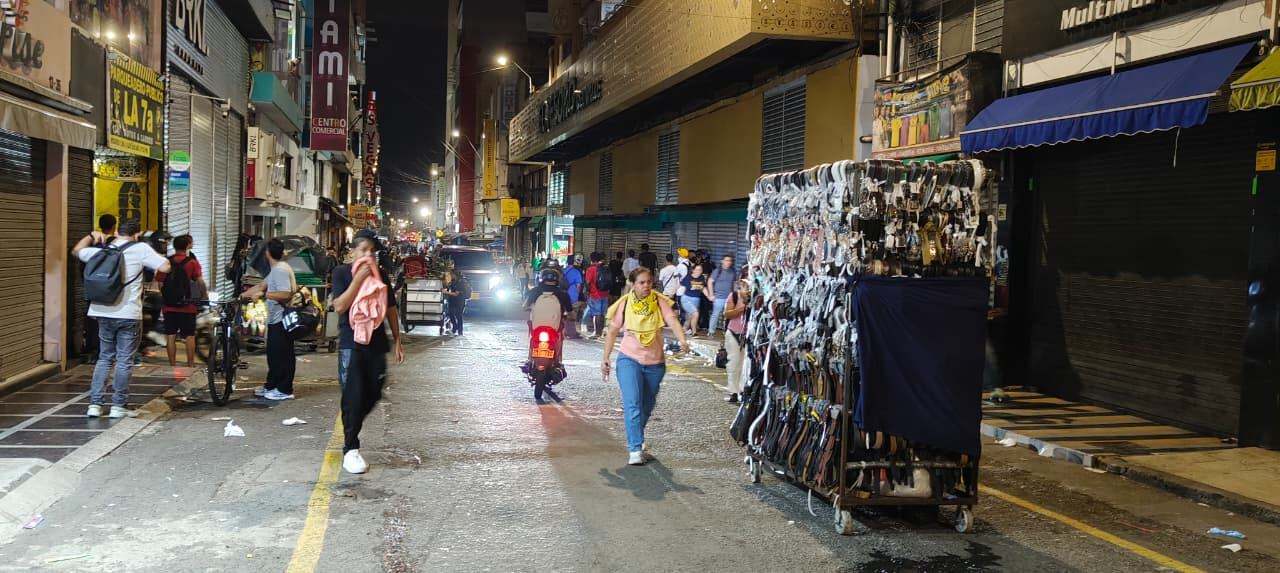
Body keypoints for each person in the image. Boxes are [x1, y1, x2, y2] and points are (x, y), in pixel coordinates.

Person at [72, 220, 171, 418]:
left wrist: (91, 236)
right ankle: (118, 406)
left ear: (117, 231)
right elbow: (166, 267)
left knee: (104, 358)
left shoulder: (103, 249)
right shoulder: (140, 248)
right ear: (137, 234)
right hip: (128, 313)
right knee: (124, 360)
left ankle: (95, 404)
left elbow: (76, 251)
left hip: (102, 311)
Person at [331, 234, 407, 474]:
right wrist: (358, 280)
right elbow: (340, 306)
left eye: (372, 251)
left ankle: (352, 422)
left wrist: (398, 340)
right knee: (353, 396)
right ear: (352, 252)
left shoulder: (380, 274)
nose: (368, 255)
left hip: (376, 343)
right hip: (351, 343)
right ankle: (350, 448)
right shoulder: (342, 273)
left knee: (373, 392)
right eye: (363, 250)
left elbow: (391, 309)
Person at [601, 267, 690, 466]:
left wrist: (682, 339)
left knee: (646, 406)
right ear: (633, 284)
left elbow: (672, 320)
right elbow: (613, 331)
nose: (646, 286)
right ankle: (635, 449)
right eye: (641, 282)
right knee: (633, 404)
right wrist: (605, 358)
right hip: (629, 360)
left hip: (655, 364)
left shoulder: (658, 301)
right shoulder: (625, 304)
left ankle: (637, 436)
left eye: (649, 282)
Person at [243, 239, 298, 400]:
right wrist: (242, 296)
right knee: (274, 355)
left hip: (281, 320)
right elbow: (261, 285)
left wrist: (264, 295)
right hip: (275, 319)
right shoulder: (278, 268)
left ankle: (284, 389)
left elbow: (285, 293)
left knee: (281, 356)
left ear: (267, 253)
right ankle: (271, 385)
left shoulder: (280, 270)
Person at [155, 235, 207, 367]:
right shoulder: (192, 262)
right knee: (190, 335)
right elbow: (200, 281)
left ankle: (172, 364)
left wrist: (166, 296)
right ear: (188, 245)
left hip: (169, 306)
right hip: (187, 305)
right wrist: (204, 296)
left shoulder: (166, 261)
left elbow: (160, 283)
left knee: (170, 335)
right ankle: (190, 364)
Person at [83, 214, 118, 363]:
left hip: (93, 289)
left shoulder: (92, 246)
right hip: (110, 291)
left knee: (94, 322)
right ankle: (105, 352)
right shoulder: (115, 247)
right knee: (109, 322)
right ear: (114, 226)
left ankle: (94, 350)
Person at [723, 279, 751, 403]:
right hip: (733, 332)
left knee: (745, 364)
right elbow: (727, 313)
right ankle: (733, 391)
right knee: (734, 363)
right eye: (744, 286)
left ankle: (742, 390)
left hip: (748, 335)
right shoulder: (733, 296)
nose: (745, 289)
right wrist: (742, 309)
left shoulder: (756, 299)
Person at [707, 255, 738, 338]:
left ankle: (727, 332)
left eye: (730, 260)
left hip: (729, 298)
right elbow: (709, 282)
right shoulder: (717, 271)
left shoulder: (733, 272)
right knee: (715, 315)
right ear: (722, 261)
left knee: (729, 316)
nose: (728, 262)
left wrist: (735, 295)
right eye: (726, 260)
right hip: (719, 297)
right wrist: (711, 295)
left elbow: (734, 284)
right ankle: (711, 332)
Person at [582, 253, 611, 338]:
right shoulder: (604, 268)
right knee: (603, 313)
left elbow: (588, 283)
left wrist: (587, 293)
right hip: (605, 293)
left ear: (591, 259)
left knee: (597, 314)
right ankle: (602, 332)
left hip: (595, 294)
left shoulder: (591, 269)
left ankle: (597, 333)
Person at [679, 264, 711, 336]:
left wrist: (708, 296)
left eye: (700, 270)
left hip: (696, 300)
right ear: (693, 270)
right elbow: (682, 285)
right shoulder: (688, 277)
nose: (699, 271)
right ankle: (694, 332)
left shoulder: (702, 278)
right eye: (697, 269)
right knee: (695, 313)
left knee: (689, 318)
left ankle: (683, 330)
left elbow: (703, 288)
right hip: (687, 299)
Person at [442, 263, 471, 335]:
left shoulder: (461, 282)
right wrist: (443, 279)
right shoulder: (454, 281)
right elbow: (448, 286)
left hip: (460, 301)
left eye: (452, 274)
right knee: (451, 314)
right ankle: (455, 328)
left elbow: (456, 294)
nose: (451, 276)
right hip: (453, 301)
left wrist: (446, 292)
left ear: (455, 274)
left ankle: (460, 331)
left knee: (458, 315)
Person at [561, 256, 585, 339]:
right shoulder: (576, 272)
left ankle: (564, 331)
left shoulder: (564, 270)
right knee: (572, 314)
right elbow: (578, 285)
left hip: (564, 295)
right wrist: (579, 294)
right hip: (573, 295)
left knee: (564, 313)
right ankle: (571, 332)